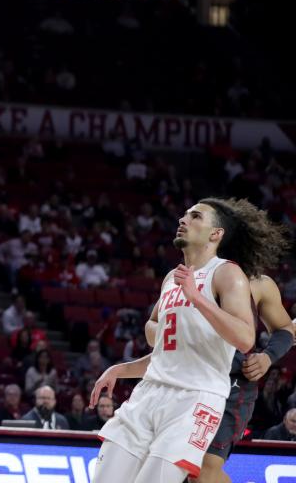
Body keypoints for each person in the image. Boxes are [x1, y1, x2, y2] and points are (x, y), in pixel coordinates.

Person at [90, 199, 282, 482]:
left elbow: (244, 338)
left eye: (195, 216)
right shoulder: (171, 277)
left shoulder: (227, 274)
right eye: (183, 214)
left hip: (195, 401)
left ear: (216, 234)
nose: (183, 219)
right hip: (150, 393)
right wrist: (121, 369)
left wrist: (197, 297)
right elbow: (172, 352)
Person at [146, 278, 295, 483]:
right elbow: (151, 324)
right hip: (187, 381)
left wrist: (268, 357)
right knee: (179, 466)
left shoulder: (257, 283)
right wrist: (173, 333)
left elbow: (285, 328)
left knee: (204, 470)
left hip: (232, 385)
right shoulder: (187, 277)